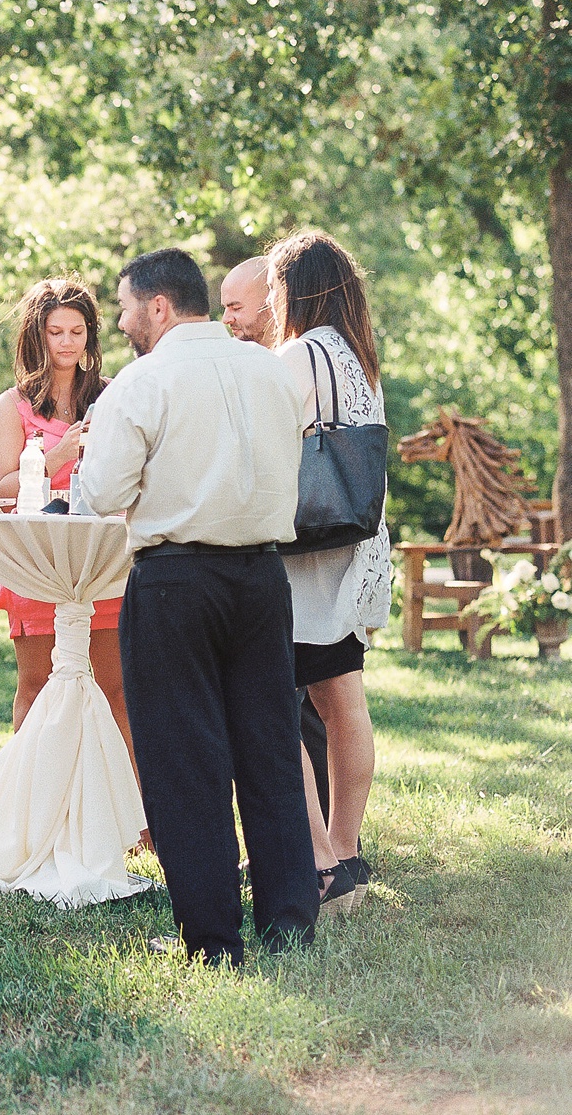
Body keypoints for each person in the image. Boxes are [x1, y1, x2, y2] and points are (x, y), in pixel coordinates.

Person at [81, 248, 314, 965]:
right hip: (263, 577)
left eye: (123, 307)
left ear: (158, 306)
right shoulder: (276, 373)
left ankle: (212, 938)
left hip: (176, 578)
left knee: (185, 758)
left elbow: (101, 493)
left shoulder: (143, 382)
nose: (119, 321)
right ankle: (289, 923)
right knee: (270, 746)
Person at [268, 231, 389, 914]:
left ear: (296, 287)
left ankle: (315, 860)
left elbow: (261, 438)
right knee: (343, 700)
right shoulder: (358, 357)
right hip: (355, 542)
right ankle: (346, 853)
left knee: (274, 704)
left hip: (304, 552)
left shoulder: (298, 354)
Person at [0, 279, 135, 771]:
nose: (67, 342)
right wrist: (57, 456)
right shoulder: (12, 405)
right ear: (37, 337)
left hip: (102, 561)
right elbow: (0, 486)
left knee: (117, 690)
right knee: (37, 685)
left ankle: (134, 820)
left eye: (77, 331)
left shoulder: (112, 397)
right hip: (37, 561)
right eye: (55, 332)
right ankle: (28, 806)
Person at [223, 255, 336, 843]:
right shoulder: (331, 355)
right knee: (311, 703)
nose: (228, 320)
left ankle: (305, 847)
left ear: (273, 300)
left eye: (236, 307)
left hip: (298, 550)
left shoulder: (291, 362)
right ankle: (320, 845)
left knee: (296, 708)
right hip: (309, 551)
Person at [220, 256, 275, 347]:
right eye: (225, 308)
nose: (226, 319)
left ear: (271, 302)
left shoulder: (301, 354)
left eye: (236, 308)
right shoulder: (229, 357)